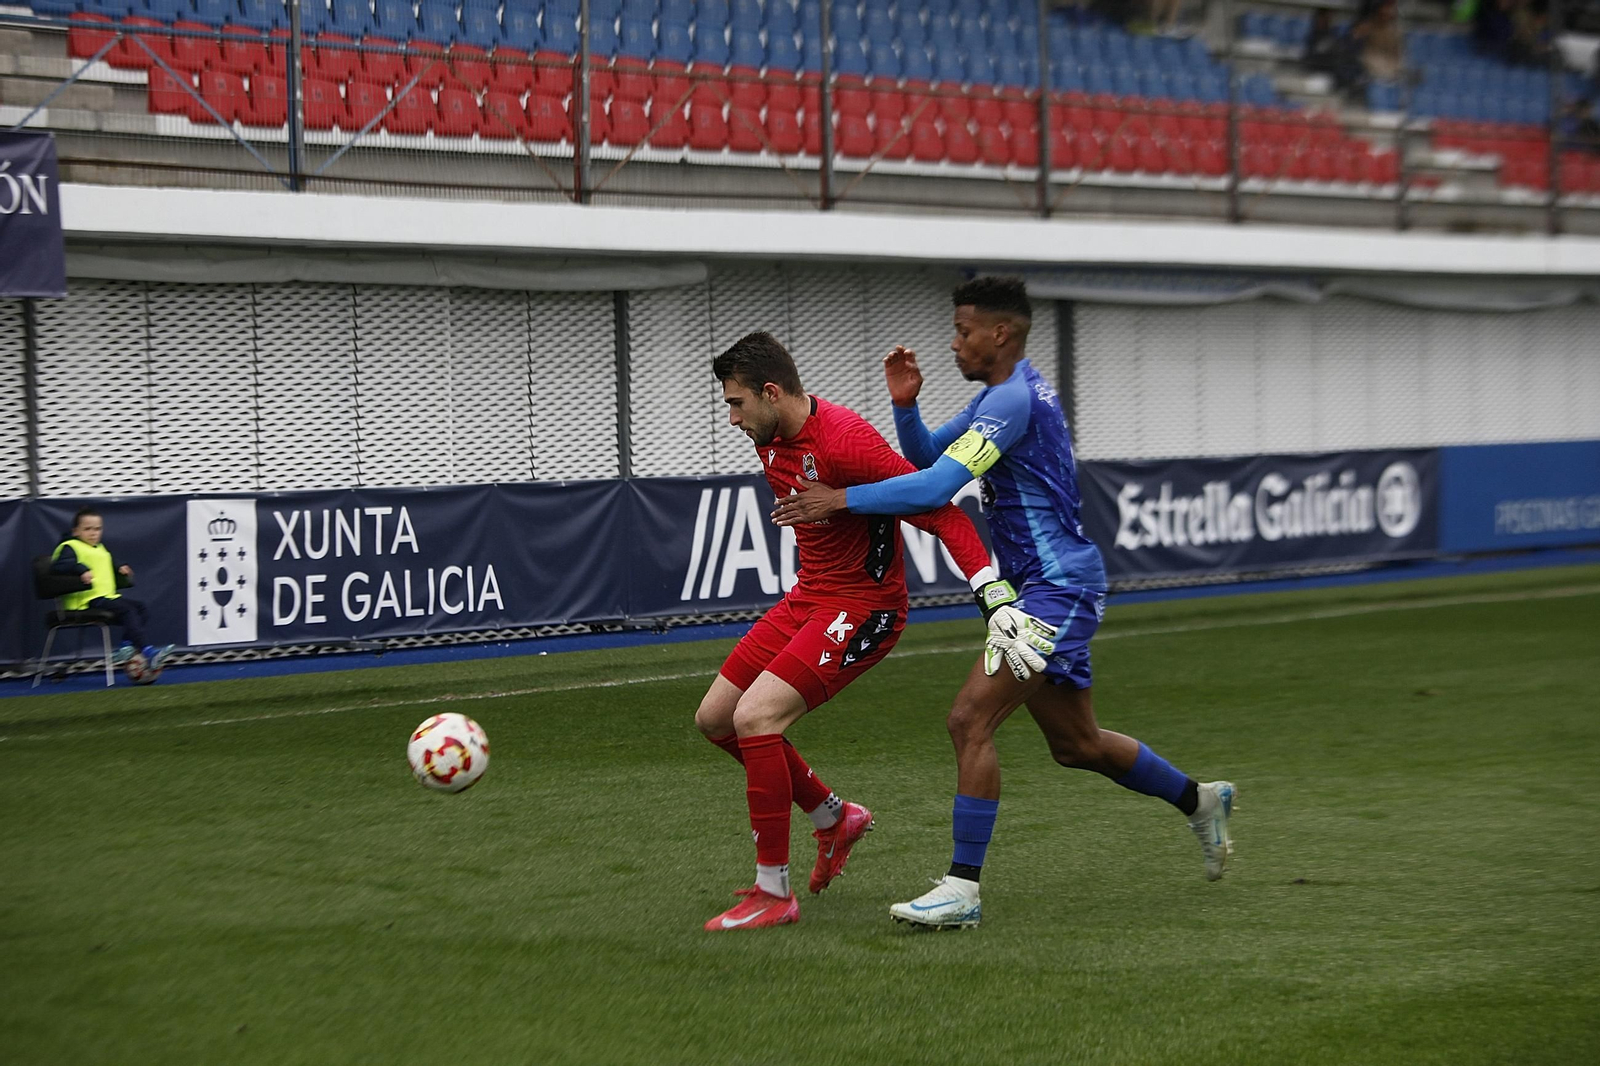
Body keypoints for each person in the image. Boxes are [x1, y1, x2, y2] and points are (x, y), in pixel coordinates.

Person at [771, 277, 1236, 929]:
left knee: (970, 719)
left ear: (1001, 333)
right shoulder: (1001, 396)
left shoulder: (1013, 399)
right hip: (1039, 589)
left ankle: (962, 890)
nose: (954, 343)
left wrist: (840, 500)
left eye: (964, 331)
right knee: (1077, 744)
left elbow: (933, 489)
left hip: (1057, 588)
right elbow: (928, 460)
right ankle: (1201, 800)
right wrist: (907, 408)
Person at [698, 331, 1000, 932]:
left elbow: (942, 512)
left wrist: (989, 591)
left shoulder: (844, 439)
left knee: (755, 717)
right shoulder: (770, 435)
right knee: (715, 719)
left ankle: (773, 893)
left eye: (736, 403)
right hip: (808, 597)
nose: (732, 418)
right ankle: (835, 818)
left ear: (771, 392)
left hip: (865, 607)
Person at [52, 508, 174, 677]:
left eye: (97, 529)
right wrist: (81, 569)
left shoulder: (99, 547)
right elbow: (60, 566)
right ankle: (147, 651)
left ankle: (125, 647)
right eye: (87, 529)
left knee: (141, 608)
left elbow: (106, 559)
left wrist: (119, 566)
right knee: (127, 610)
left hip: (106, 597)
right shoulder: (69, 547)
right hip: (86, 601)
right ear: (75, 531)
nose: (93, 533)